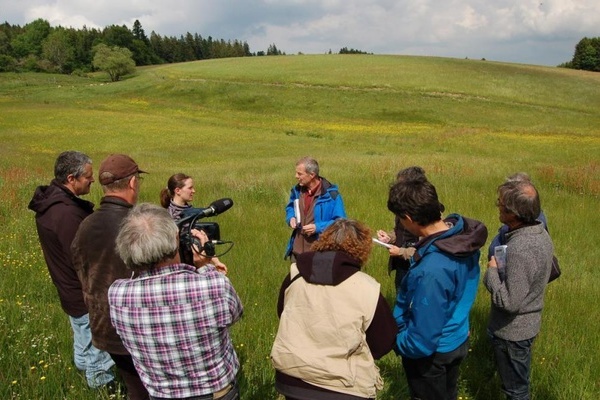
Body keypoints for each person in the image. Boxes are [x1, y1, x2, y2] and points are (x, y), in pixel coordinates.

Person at [108, 203, 243, 400]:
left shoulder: (117, 294)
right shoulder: (213, 284)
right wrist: (205, 265)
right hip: (216, 393)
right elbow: (236, 313)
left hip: (160, 394)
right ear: (175, 240)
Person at [271, 218, 398, 400]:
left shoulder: (295, 274)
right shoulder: (367, 288)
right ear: (361, 250)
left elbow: (283, 313)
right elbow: (383, 342)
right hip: (343, 387)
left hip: (292, 379)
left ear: (323, 240)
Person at [387, 174, 487, 400]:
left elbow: (422, 339)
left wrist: (397, 341)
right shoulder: (460, 237)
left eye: (400, 220)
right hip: (457, 336)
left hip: (432, 353)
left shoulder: (433, 269)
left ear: (409, 218)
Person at [28, 151, 115, 389]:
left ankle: (83, 370)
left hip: (69, 289)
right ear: (71, 178)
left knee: (83, 336)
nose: (92, 180)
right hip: (82, 292)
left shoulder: (54, 203)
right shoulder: (65, 213)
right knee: (96, 343)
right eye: (87, 176)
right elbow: (81, 258)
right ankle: (101, 386)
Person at [71, 153, 150, 400]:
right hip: (140, 330)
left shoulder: (86, 224)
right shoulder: (139, 225)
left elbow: (80, 268)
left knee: (133, 386)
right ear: (133, 183)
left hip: (104, 326)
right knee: (148, 390)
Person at [484, 180, 554, 400]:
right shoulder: (540, 232)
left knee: (516, 391)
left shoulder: (520, 248)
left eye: (501, 204)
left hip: (512, 333)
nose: (498, 206)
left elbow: (509, 302)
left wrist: (491, 273)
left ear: (513, 214)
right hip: (528, 326)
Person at [160, 173, 228, 274]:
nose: (193, 191)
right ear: (178, 191)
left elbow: (201, 242)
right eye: (190, 188)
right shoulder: (166, 217)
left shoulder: (191, 212)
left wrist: (216, 262)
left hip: (194, 268)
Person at [376, 166, 427, 294]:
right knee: (401, 299)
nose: (397, 190)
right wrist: (389, 238)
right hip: (401, 265)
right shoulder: (403, 206)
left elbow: (426, 249)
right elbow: (399, 230)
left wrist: (401, 252)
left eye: (401, 186)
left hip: (418, 266)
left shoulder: (427, 212)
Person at [284, 156, 346, 259]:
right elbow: (290, 207)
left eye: (299, 174)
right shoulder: (297, 191)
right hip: (296, 253)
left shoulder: (332, 195)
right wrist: (291, 218)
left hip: (319, 254)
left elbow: (341, 223)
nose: (296, 176)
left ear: (312, 175)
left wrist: (318, 227)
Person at [487, 172, 548, 260]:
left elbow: (511, 272)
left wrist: (492, 269)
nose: (498, 206)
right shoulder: (539, 229)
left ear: (513, 210)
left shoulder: (517, 249)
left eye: (501, 203)